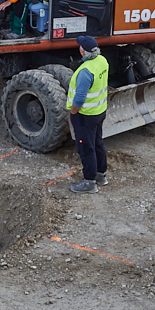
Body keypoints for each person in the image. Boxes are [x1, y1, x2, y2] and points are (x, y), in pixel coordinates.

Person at [68, 36, 109, 193]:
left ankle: (89, 182)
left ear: (83, 51)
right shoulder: (102, 61)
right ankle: (101, 175)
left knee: (86, 148)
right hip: (99, 111)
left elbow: (79, 98)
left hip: (85, 116)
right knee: (97, 143)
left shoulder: (85, 72)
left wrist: (73, 112)